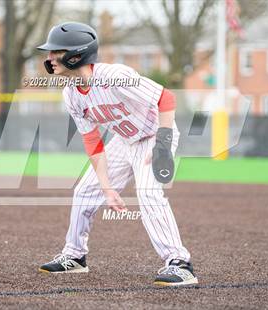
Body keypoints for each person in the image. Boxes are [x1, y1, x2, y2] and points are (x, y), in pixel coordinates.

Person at [36, 22, 197, 286]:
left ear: (77, 54)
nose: (50, 58)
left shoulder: (114, 76)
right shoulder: (71, 94)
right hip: (124, 141)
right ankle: (75, 257)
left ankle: (180, 263)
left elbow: (165, 98)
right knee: (85, 191)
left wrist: (163, 143)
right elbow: (92, 140)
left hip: (155, 135)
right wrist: (107, 187)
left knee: (148, 192)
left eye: (57, 51)